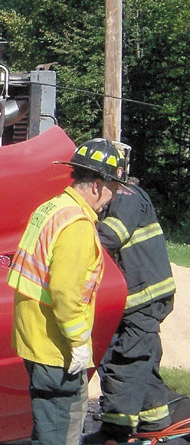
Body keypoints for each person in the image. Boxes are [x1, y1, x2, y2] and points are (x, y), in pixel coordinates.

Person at [6, 138, 127, 444]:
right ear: (98, 185)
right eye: (112, 188)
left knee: (47, 426)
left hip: (34, 337)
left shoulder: (52, 207)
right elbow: (65, 292)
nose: (111, 197)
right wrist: (79, 343)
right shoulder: (77, 224)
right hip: (55, 348)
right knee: (60, 432)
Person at [93, 176, 176, 441]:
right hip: (138, 295)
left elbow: (110, 236)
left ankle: (115, 431)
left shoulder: (126, 196)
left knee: (126, 360)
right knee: (142, 358)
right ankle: (155, 421)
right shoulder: (118, 196)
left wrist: (74, 228)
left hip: (145, 296)